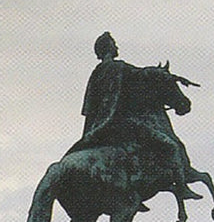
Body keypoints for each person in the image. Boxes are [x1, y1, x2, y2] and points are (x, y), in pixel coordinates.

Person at [70, 32, 198, 201]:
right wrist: (171, 77)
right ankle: (181, 189)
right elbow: (144, 74)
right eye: (114, 44)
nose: (117, 47)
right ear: (108, 47)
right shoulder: (119, 67)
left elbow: (90, 107)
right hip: (120, 123)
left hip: (99, 126)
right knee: (170, 146)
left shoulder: (96, 73)